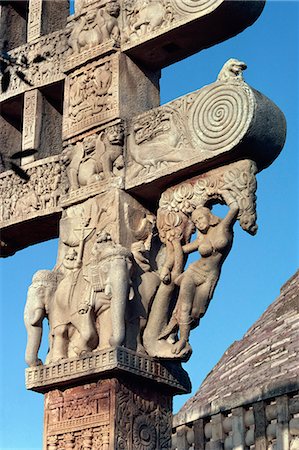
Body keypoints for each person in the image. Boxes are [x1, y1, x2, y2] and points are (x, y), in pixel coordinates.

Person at [160, 202, 239, 355]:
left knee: (197, 312)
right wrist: (166, 266)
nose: (198, 223)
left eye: (200, 219)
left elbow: (235, 208)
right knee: (185, 306)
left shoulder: (224, 227)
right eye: (195, 222)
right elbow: (181, 251)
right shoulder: (201, 239)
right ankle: (183, 339)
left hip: (210, 276)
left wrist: (223, 191)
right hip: (193, 272)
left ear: (209, 217)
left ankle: (176, 330)